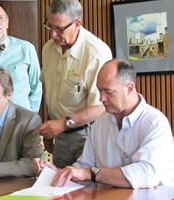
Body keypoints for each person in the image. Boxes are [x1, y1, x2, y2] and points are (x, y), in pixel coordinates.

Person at [34, 58, 174, 189]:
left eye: (108, 91)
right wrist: (58, 173)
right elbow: (84, 166)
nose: (101, 98)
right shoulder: (102, 120)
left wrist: (91, 173)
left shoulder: (155, 123)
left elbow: (146, 174)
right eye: (99, 90)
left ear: (130, 88)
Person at [34, 0, 112, 167]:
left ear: (78, 24)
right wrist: (50, 128)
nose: (52, 34)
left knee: (89, 189)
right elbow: (51, 92)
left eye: (59, 28)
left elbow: (101, 107)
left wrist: (62, 124)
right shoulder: (49, 49)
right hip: (60, 136)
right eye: (49, 26)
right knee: (60, 186)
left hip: (88, 135)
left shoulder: (96, 52)